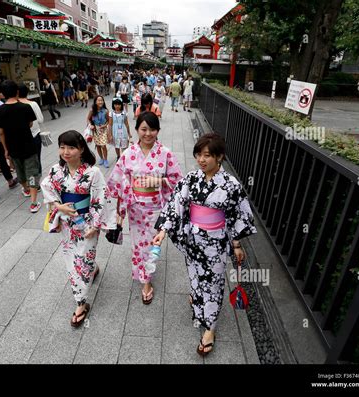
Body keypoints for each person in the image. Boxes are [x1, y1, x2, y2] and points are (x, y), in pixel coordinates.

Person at [152, 133, 257, 356]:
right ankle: (197, 300)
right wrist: (162, 231)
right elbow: (176, 205)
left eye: (207, 155)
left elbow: (238, 215)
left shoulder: (230, 185)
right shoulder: (191, 179)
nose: (201, 159)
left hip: (216, 244)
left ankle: (209, 327)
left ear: (219, 157)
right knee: (195, 276)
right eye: (198, 154)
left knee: (213, 284)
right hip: (193, 241)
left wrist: (236, 245)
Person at [40, 130, 116, 327]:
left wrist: (95, 224)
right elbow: (46, 187)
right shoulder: (56, 170)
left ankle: (81, 303)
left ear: (81, 149)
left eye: (71, 147)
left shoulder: (93, 172)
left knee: (81, 261)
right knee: (71, 259)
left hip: (87, 223)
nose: (66, 152)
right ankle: (92, 268)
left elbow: (101, 198)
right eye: (62, 147)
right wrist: (58, 205)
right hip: (67, 222)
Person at [107, 112, 183, 305]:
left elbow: (178, 181)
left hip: (157, 207)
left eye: (152, 129)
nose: (148, 133)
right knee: (139, 246)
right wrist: (119, 210)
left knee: (152, 245)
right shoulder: (128, 153)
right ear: (137, 130)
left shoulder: (165, 153)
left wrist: (158, 180)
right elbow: (117, 180)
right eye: (143, 129)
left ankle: (146, 273)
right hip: (135, 208)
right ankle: (146, 280)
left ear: (158, 130)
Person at [0, 80, 41, 213]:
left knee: (19, 171)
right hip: (28, 145)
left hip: (12, 147)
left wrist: (6, 149)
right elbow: (31, 124)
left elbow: (1, 132)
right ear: (17, 92)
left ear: (3, 94)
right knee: (32, 172)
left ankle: (25, 189)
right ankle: (33, 202)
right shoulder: (26, 107)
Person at [17, 83, 44, 175]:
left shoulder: (12, 106)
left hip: (19, 138)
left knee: (25, 161)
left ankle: (28, 182)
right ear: (27, 92)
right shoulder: (33, 104)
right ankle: (36, 182)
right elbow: (40, 120)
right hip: (35, 135)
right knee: (37, 158)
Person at [87, 95, 109, 168]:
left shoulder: (106, 111)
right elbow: (88, 119)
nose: (100, 102)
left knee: (103, 145)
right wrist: (90, 125)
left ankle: (105, 160)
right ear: (95, 102)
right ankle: (101, 158)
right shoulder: (92, 110)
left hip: (103, 129)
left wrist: (105, 125)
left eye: (101, 100)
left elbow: (108, 121)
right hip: (95, 129)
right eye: (98, 100)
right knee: (98, 145)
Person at [108, 97, 131, 161]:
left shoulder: (124, 113)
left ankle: (124, 157)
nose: (117, 106)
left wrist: (129, 133)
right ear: (113, 105)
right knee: (116, 145)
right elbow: (110, 125)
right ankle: (118, 156)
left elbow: (127, 124)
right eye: (115, 104)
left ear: (121, 105)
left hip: (123, 131)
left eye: (119, 104)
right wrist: (110, 135)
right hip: (115, 131)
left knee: (124, 144)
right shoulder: (111, 113)